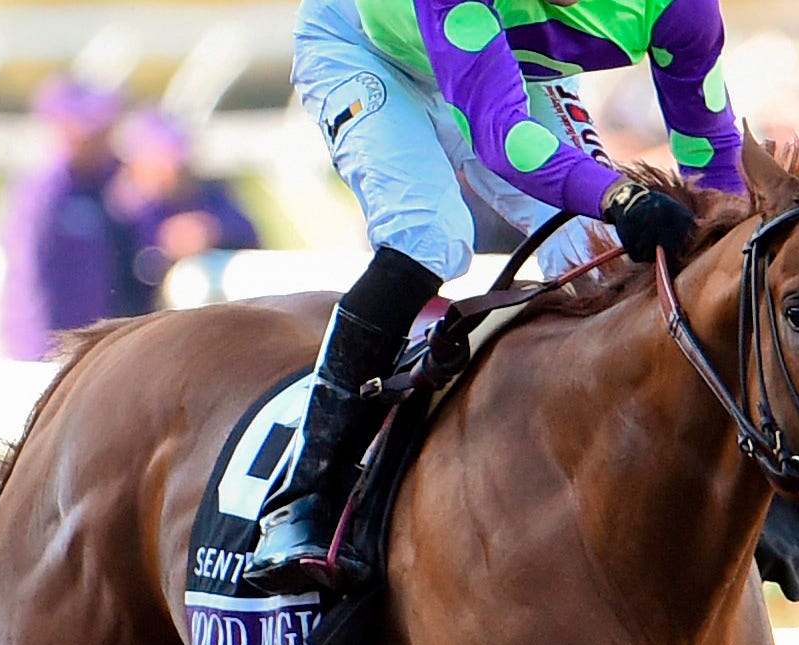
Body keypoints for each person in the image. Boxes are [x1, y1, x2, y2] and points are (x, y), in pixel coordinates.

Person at [246, 0, 745, 592]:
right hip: (370, 51)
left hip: (507, 65)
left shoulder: (681, 10)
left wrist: (728, 234)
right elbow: (502, 137)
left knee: (597, 251)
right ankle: (303, 495)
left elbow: (712, 158)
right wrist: (619, 196)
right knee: (429, 237)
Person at [0, 78, 139, 361]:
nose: (105, 138)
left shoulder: (110, 184)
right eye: (95, 130)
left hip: (97, 353)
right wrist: (42, 358)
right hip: (56, 357)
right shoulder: (44, 195)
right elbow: (31, 286)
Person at [108, 110, 260, 310]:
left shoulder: (210, 197)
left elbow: (249, 236)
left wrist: (211, 230)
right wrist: (161, 243)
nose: (172, 170)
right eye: (159, 159)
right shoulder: (119, 209)